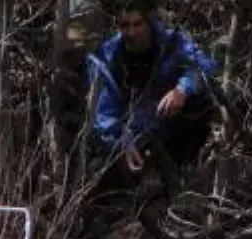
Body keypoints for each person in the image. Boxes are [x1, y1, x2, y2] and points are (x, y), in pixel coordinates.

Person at [87, 0, 220, 180]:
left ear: (149, 21)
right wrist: (122, 141)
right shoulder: (108, 57)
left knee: (201, 101)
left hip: (175, 121)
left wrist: (182, 89)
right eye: (125, 25)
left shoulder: (172, 41)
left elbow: (206, 66)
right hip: (136, 130)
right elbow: (103, 112)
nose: (132, 32)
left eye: (138, 24)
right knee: (100, 166)